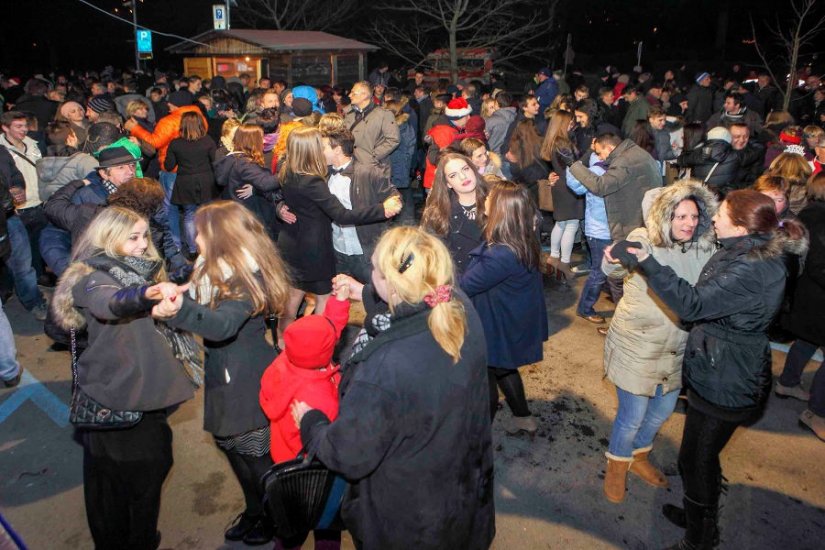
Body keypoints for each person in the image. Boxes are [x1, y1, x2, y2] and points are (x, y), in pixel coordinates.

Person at [616, 190, 808, 549]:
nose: (712, 219)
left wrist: (649, 262)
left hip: (729, 376)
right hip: (721, 366)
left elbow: (692, 304)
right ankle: (697, 516)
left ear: (740, 226)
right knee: (701, 453)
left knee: (695, 459)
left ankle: (699, 538)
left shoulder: (753, 267)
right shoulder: (749, 250)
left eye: (720, 215)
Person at [293, 226, 495, 550]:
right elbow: (411, 309)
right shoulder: (458, 307)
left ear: (391, 283)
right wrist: (363, 292)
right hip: (465, 499)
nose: (370, 273)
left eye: (374, 269)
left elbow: (348, 453)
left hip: (410, 523)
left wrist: (311, 422)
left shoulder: (384, 368)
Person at [52, 206, 196, 549]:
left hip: (139, 389)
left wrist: (159, 300)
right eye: (132, 237)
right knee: (133, 479)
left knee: (133, 478)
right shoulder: (92, 275)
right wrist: (148, 296)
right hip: (118, 394)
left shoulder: (136, 270)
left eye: (145, 236)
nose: (142, 244)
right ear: (107, 237)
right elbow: (110, 302)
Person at [159, 201, 290, 545]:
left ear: (219, 237)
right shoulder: (213, 268)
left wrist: (179, 310)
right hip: (225, 372)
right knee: (233, 451)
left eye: (200, 231)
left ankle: (276, 519)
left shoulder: (245, 277)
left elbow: (221, 325)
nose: (195, 237)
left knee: (255, 459)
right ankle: (254, 510)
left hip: (244, 378)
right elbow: (208, 300)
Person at [601, 181, 718, 504]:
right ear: (664, 217)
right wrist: (612, 259)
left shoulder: (704, 247)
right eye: (680, 216)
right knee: (633, 414)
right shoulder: (643, 239)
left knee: (662, 410)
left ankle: (638, 456)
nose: (689, 223)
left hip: (678, 345)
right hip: (637, 343)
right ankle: (616, 465)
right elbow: (612, 267)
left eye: (694, 216)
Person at [276, 127, 400, 345]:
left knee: (291, 303)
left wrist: (280, 207)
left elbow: (281, 195)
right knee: (324, 300)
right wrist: (382, 209)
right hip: (314, 249)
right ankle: (316, 348)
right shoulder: (312, 181)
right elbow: (341, 215)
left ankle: (282, 345)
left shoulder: (287, 171)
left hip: (291, 244)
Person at [259, 282, 350, 550]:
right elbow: (332, 441)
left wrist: (339, 301)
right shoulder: (318, 396)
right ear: (326, 353)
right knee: (327, 528)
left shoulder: (283, 363)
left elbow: (326, 332)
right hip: (317, 471)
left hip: (285, 466)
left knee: (290, 529)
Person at [460, 180, 548, 434]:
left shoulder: (502, 254)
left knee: (484, 376)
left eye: (489, 198)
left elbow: (466, 284)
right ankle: (523, 417)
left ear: (501, 210)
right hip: (507, 318)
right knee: (503, 367)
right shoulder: (520, 237)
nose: (485, 199)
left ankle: (478, 435)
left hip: (497, 324)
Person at [778, 172, 825, 442]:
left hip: (808, 295)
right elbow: (820, 264)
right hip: (817, 296)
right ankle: (817, 412)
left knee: (807, 339)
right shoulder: (820, 220)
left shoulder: (808, 214)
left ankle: (788, 382)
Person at [321, 128, 401, 282]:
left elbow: (394, 198)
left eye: (323, 147)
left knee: (376, 295)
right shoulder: (323, 175)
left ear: (337, 150)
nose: (319, 151)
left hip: (366, 250)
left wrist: (391, 204)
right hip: (337, 249)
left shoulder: (368, 172)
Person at [421, 152, 488, 274]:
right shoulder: (438, 213)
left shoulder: (496, 198)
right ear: (447, 183)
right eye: (453, 175)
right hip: (462, 281)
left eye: (465, 169)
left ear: (473, 169)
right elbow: (431, 257)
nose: (463, 177)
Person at [164, 111, 217, 257]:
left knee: (189, 215)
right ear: (200, 124)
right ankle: (210, 247)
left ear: (183, 125)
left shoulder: (176, 143)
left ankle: (193, 250)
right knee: (208, 215)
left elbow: (169, 166)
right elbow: (215, 162)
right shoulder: (208, 141)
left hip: (185, 182)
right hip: (206, 181)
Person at [541, 110, 585, 281]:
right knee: (571, 225)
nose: (572, 123)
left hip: (560, 185)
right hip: (568, 185)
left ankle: (553, 256)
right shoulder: (562, 142)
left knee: (561, 223)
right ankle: (565, 263)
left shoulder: (553, 141)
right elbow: (574, 164)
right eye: (570, 121)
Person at [344, 81, 400, 176]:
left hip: (374, 169)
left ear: (364, 95)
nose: (349, 95)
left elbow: (393, 139)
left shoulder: (383, 115)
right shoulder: (349, 113)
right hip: (351, 166)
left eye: (353, 93)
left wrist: (372, 156)